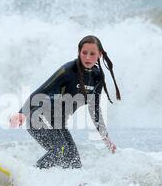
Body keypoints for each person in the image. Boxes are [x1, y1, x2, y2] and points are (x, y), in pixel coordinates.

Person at [9, 35, 121, 169]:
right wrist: (22, 112)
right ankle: (27, 177)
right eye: (84, 53)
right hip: (38, 117)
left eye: (92, 54)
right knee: (59, 151)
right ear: (79, 52)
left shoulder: (97, 76)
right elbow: (43, 90)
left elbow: (94, 109)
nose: (87, 58)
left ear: (100, 55)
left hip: (58, 123)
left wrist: (105, 138)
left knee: (74, 164)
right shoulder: (68, 70)